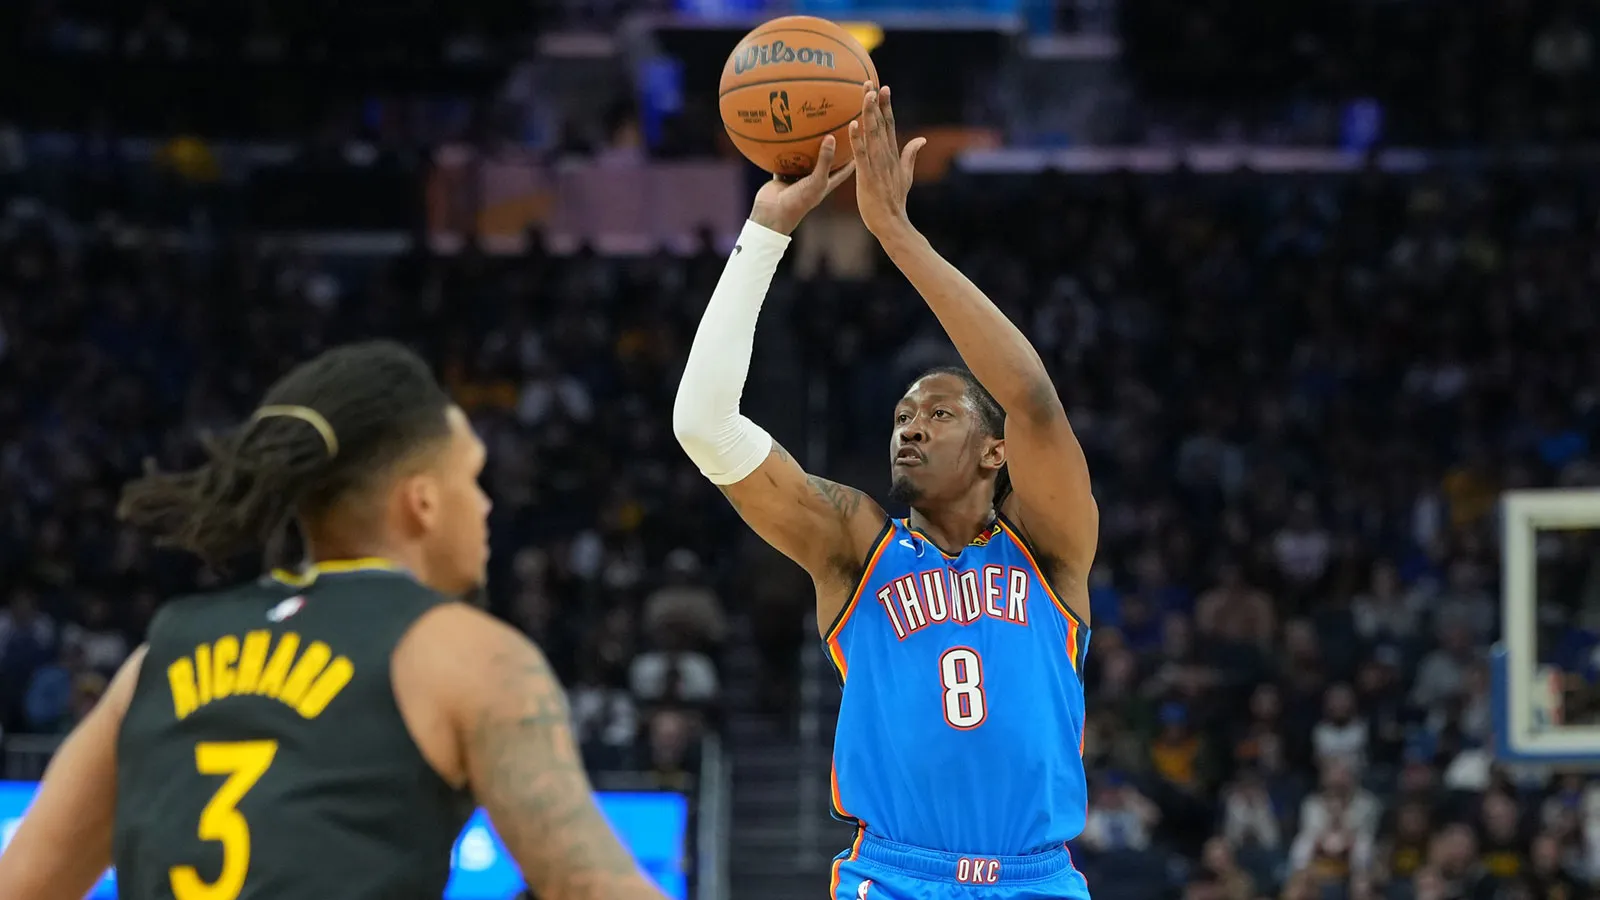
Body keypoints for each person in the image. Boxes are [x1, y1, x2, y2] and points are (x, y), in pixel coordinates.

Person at [0, 341, 666, 900]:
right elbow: (590, 886)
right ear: (423, 502)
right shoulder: (468, 655)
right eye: (472, 478)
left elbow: (21, 885)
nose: (486, 506)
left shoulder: (159, 656)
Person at [674, 83, 1096, 900]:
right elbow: (703, 426)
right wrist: (765, 232)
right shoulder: (856, 544)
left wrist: (898, 237)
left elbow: (1034, 401)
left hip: (1037, 879)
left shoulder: (1048, 548)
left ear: (995, 451)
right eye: (902, 417)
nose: (910, 429)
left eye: (938, 414)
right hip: (898, 876)